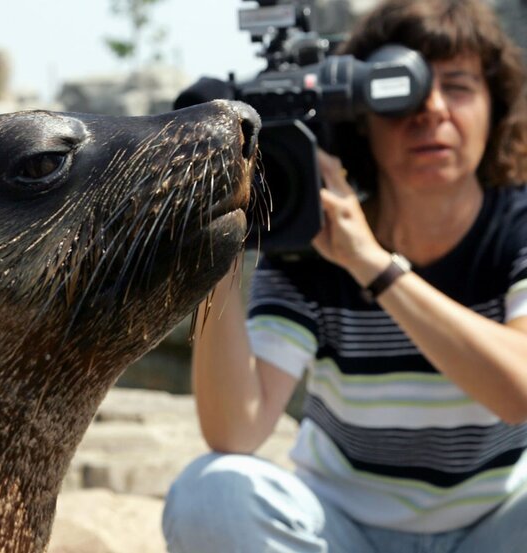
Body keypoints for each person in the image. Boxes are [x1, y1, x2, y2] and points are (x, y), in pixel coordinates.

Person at [162, 0, 527, 551]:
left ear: (495, 107)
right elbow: (237, 430)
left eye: (457, 86)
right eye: (399, 91)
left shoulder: (516, 225)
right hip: (342, 531)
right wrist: (218, 247)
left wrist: (373, 265)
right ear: (360, 118)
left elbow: (520, 391)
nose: (429, 109)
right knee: (207, 494)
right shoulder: (314, 238)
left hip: (494, 527)